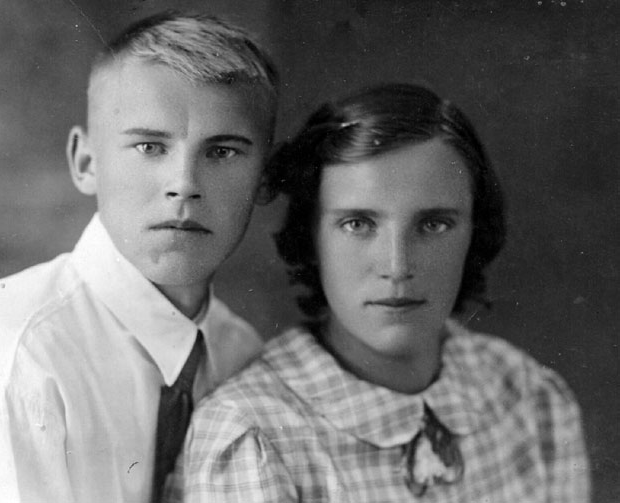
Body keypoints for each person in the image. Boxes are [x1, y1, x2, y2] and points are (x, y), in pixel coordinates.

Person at [166, 83, 590, 502]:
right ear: (311, 236)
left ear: (474, 231)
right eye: (357, 224)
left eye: (434, 224)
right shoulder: (255, 437)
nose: (397, 266)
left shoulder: (529, 397)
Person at [0, 11, 278, 503]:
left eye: (222, 152)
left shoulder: (239, 352)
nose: (184, 185)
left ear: (264, 179)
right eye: (149, 146)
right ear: (86, 163)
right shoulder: (16, 365)